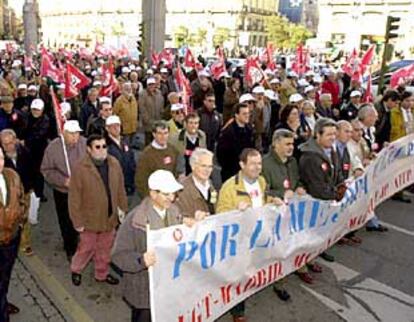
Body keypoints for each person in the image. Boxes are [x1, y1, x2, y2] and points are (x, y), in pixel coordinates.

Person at [112, 170, 184, 322]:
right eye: (167, 194)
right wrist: (141, 260)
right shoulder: (135, 220)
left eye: (173, 194)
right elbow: (118, 255)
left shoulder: (175, 211)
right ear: (153, 194)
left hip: (167, 285)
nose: (171, 198)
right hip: (142, 290)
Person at [216, 148, 276, 322]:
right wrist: (236, 210)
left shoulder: (262, 182)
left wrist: (273, 201)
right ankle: (237, 311)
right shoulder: (229, 187)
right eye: (253, 164)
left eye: (259, 163)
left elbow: (262, 201)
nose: (258, 168)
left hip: (257, 236)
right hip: (239, 241)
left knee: (251, 269)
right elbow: (220, 215)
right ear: (242, 165)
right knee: (238, 275)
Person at [69, 134, 128, 286]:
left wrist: (123, 209)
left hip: (109, 218)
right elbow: (74, 198)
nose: (102, 150)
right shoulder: (80, 168)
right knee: (86, 248)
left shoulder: (114, 164)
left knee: (105, 249)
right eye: (97, 147)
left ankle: (102, 273)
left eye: (104, 146)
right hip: (89, 219)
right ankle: (76, 269)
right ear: (89, 149)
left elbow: (120, 189)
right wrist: (77, 221)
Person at [262, 129, 310, 296]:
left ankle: (298, 266)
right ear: (276, 144)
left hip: (293, 212)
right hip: (275, 215)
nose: (291, 147)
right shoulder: (265, 164)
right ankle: (278, 282)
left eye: (292, 144)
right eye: (287, 144)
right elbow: (262, 192)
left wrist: (299, 187)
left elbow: (297, 181)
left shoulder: (293, 162)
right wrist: (281, 194)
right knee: (278, 249)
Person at [299, 118, 344, 262]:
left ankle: (320, 250)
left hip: (328, 200)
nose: (332, 138)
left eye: (334, 134)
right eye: (328, 135)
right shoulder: (310, 157)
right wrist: (337, 195)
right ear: (317, 135)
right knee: (311, 234)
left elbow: (337, 172)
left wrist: (342, 185)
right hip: (315, 203)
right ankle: (308, 259)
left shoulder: (331, 149)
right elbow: (317, 188)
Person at [41, 120, 87, 260]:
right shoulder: (53, 148)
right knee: (66, 221)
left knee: (84, 218)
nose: (75, 137)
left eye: (77, 133)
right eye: (72, 134)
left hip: (83, 191)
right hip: (63, 192)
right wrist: (63, 181)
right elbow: (46, 170)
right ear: (64, 133)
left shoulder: (85, 144)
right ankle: (70, 248)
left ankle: (85, 245)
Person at [0, 148, 28, 322]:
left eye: (1, 158)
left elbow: (22, 199)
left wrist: (20, 220)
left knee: (5, 276)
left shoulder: (12, 176)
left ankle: (3, 299)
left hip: (12, 239)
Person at [1, 129, 35, 256]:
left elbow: (32, 169)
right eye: (5, 144)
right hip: (8, 196)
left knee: (24, 217)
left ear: (15, 140)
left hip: (24, 190)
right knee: (10, 219)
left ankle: (25, 243)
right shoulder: (2, 158)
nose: (8, 146)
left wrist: (31, 186)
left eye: (10, 143)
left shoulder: (24, 152)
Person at [135, 121, 184, 198]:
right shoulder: (146, 155)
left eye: (165, 133)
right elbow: (141, 181)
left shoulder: (173, 150)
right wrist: (149, 198)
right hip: (155, 197)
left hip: (171, 196)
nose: (163, 136)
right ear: (154, 134)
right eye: (160, 133)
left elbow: (177, 172)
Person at [175, 148, 216, 221]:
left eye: (210, 166)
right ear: (193, 166)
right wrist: (192, 219)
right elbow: (177, 217)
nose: (207, 170)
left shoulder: (212, 186)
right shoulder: (182, 189)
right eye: (203, 166)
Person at [217, 103, 255, 183]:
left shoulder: (249, 130)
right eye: (244, 113)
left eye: (248, 113)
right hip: (231, 172)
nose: (247, 116)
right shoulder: (228, 133)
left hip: (246, 170)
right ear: (236, 115)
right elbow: (221, 155)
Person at [24, 98, 50, 202]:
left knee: (39, 173)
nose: (35, 112)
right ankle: (30, 191)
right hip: (27, 150)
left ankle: (39, 193)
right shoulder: (26, 118)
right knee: (29, 171)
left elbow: (39, 134)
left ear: (42, 110)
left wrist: (25, 140)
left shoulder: (45, 120)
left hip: (39, 149)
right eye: (34, 109)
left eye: (38, 110)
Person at [105, 115, 136, 195]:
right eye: (112, 126)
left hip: (128, 180)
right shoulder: (105, 145)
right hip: (115, 184)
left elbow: (131, 158)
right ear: (107, 128)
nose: (116, 128)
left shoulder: (125, 140)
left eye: (117, 125)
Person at [139, 77, 165, 146]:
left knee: (157, 139)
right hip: (148, 122)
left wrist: (161, 115)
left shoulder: (159, 93)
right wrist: (147, 119)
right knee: (148, 141)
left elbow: (162, 104)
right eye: (149, 84)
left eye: (153, 84)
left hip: (158, 120)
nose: (151, 86)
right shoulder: (143, 94)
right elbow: (142, 108)